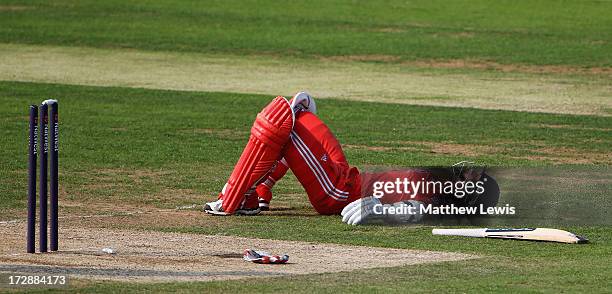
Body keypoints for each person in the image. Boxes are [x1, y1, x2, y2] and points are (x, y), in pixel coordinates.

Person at [204, 92, 498, 225]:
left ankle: (232, 198)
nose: (471, 171)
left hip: (337, 192)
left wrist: (380, 211)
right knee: (302, 110)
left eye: (476, 177)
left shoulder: (437, 199)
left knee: (282, 120)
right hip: (347, 177)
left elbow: (415, 211)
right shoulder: (439, 181)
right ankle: (258, 193)